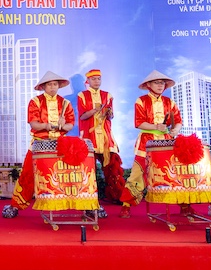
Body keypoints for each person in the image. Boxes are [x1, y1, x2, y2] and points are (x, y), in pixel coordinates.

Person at [2, 71, 75, 219]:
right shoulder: (35, 102)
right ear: (43, 87)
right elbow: (33, 123)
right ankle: (16, 205)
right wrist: (46, 126)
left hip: (61, 144)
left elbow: (70, 125)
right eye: (49, 85)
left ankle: (78, 204)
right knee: (28, 174)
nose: (53, 87)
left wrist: (63, 125)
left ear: (59, 86)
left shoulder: (65, 103)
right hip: (40, 143)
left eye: (55, 84)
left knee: (69, 173)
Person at [119, 70, 182, 218]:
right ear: (149, 85)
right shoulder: (141, 101)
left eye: (162, 83)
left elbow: (178, 120)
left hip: (166, 143)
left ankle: (184, 206)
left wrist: (175, 130)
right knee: (137, 174)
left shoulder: (170, 102)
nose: (160, 85)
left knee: (174, 174)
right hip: (146, 143)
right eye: (156, 82)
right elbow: (139, 123)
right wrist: (156, 127)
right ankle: (126, 205)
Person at [77, 69, 124, 213]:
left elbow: (111, 116)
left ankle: (116, 195)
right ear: (88, 81)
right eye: (93, 79)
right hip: (89, 136)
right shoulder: (82, 95)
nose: (96, 81)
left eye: (98, 79)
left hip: (105, 136)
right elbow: (82, 116)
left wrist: (108, 113)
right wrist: (95, 110)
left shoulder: (107, 95)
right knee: (87, 169)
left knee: (113, 167)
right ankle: (88, 196)